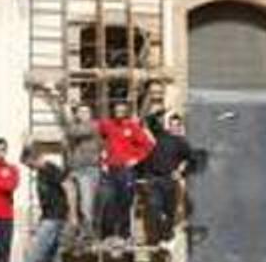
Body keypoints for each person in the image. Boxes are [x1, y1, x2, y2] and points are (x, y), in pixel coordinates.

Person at [33, 83, 103, 244]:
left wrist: (62, 104)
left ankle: (88, 235)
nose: (83, 114)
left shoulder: (93, 126)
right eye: (80, 112)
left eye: (86, 112)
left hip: (88, 171)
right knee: (71, 205)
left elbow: (72, 131)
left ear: (91, 114)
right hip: (73, 170)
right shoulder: (74, 127)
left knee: (86, 205)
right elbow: (69, 134)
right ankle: (74, 234)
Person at [17, 141, 77, 262]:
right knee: (51, 254)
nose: (28, 168)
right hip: (48, 216)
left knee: (36, 248)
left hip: (55, 216)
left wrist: (73, 214)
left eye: (28, 164)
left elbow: (69, 188)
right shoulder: (41, 173)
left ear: (34, 158)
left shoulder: (51, 169)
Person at [98, 101, 156, 247]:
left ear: (126, 112)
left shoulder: (132, 127)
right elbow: (95, 134)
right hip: (110, 169)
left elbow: (148, 145)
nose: (119, 113)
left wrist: (135, 159)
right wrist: (103, 157)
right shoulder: (107, 125)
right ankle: (108, 235)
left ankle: (124, 235)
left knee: (125, 202)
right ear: (113, 111)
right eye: (117, 110)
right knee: (109, 202)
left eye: (122, 111)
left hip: (126, 170)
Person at [142, 113, 193, 242]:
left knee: (169, 210)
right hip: (154, 178)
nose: (174, 128)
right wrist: (161, 111)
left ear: (180, 127)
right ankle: (156, 238)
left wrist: (180, 172)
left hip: (169, 180)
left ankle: (166, 237)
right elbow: (149, 119)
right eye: (172, 125)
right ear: (168, 126)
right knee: (154, 207)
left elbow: (190, 160)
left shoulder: (182, 143)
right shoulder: (161, 135)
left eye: (177, 125)